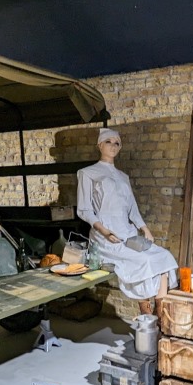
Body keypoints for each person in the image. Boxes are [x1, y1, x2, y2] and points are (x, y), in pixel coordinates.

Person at [77, 128, 178, 314]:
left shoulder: (123, 177)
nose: (113, 146)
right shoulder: (88, 173)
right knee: (144, 261)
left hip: (127, 231)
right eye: (108, 141)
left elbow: (131, 207)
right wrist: (104, 230)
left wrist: (144, 228)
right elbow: (84, 210)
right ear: (100, 145)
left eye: (117, 143)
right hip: (105, 236)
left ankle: (160, 315)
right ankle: (146, 313)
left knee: (164, 257)